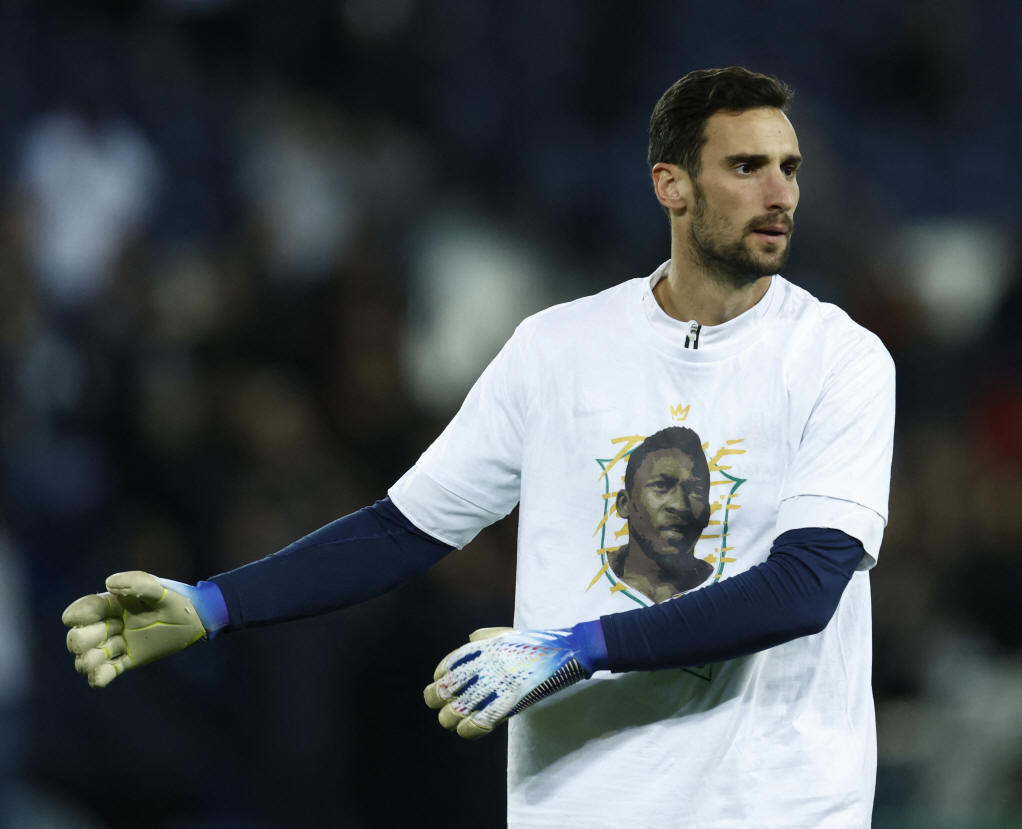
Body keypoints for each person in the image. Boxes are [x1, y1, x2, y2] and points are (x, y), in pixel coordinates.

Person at [63, 66, 895, 827]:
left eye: (789, 168)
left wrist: (579, 648)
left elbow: (802, 588)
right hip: (582, 805)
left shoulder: (840, 359)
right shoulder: (557, 349)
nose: (780, 193)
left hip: (774, 806)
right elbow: (402, 529)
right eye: (747, 166)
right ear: (670, 184)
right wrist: (215, 604)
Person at [611, 425, 713, 604]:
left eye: (695, 491)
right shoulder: (583, 574)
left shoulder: (724, 587)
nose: (680, 505)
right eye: (660, 485)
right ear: (624, 504)